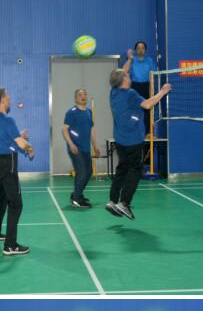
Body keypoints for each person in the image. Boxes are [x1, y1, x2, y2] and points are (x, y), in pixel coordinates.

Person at [106, 69, 171, 220]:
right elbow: (147, 105)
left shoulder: (113, 92)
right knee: (135, 170)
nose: (129, 75)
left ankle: (112, 201)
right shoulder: (131, 94)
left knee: (122, 169)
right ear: (123, 80)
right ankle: (124, 203)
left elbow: (117, 75)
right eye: (127, 75)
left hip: (120, 140)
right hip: (133, 140)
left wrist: (129, 60)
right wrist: (162, 92)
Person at [0, 87, 34, 256]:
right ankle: (10, 245)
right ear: (2, 100)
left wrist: (19, 136)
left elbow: (4, 139)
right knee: (16, 204)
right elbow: (20, 144)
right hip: (8, 164)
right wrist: (29, 147)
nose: (9, 98)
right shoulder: (8, 121)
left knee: (2, 198)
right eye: (7, 95)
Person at [62, 89, 101, 208]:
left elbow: (92, 130)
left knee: (89, 172)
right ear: (75, 98)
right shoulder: (71, 112)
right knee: (82, 172)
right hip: (75, 148)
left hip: (86, 149)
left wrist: (95, 146)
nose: (83, 96)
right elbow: (64, 129)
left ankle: (76, 194)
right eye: (80, 95)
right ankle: (77, 199)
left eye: (84, 94)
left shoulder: (89, 112)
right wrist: (71, 144)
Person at [122, 41, 157, 134]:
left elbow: (154, 75)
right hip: (135, 87)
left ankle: (148, 132)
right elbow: (123, 72)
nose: (140, 50)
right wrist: (130, 59)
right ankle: (134, 130)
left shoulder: (150, 61)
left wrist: (152, 89)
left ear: (145, 50)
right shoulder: (132, 60)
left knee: (147, 109)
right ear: (136, 50)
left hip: (147, 86)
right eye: (138, 48)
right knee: (135, 109)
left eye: (142, 48)